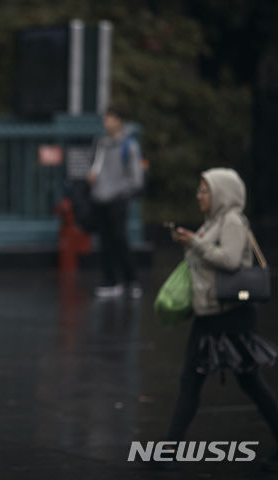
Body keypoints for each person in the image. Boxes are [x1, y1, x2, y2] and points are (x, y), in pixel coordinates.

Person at [165, 168, 278, 470]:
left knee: (250, 381)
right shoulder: (212, 222)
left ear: (222, 193)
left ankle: (168, 452)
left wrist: (195, 244)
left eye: (205, 190)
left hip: (232, 316)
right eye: (200, 190)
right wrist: (192, 242)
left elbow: (228, 260)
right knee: (191, 382)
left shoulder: (231, 221)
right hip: (209, 316)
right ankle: (169, 451)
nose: (199, 195)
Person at [87, 105, 144, 299]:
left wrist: (121, 192)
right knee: (105, 241)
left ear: (120, 121)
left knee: (119, 239)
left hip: (118, 199)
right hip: (100, 198)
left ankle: (131, 280)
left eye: (110, 118)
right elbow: (94, 166)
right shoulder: (100, 143)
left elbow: (136, 179)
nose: (106, 123)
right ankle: (111, 281)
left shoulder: (130, 146)